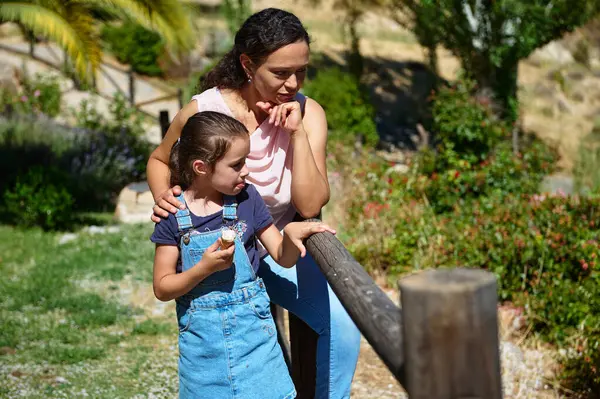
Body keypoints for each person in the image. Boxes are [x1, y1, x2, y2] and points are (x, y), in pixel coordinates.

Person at [147, 8, 361, 398]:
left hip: (277, 250)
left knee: (343, 327)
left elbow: (310, 203)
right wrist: (165, 198)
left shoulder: (309, 114)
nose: (292, 83)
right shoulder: (206, 110)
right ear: (248, 64)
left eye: (302, 71)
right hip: (219, 256)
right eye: (280, 73)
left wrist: (295, 134)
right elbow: (160, 159)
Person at [151, 111, 336, 398]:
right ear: (201, 167)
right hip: (203, 356)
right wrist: (203, 269)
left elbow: (281, 256)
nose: (246, 171)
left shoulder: (247, 199)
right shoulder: (173, 214)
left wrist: (291, 235)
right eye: (237, 164)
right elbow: (162, 288)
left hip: (256, 345)